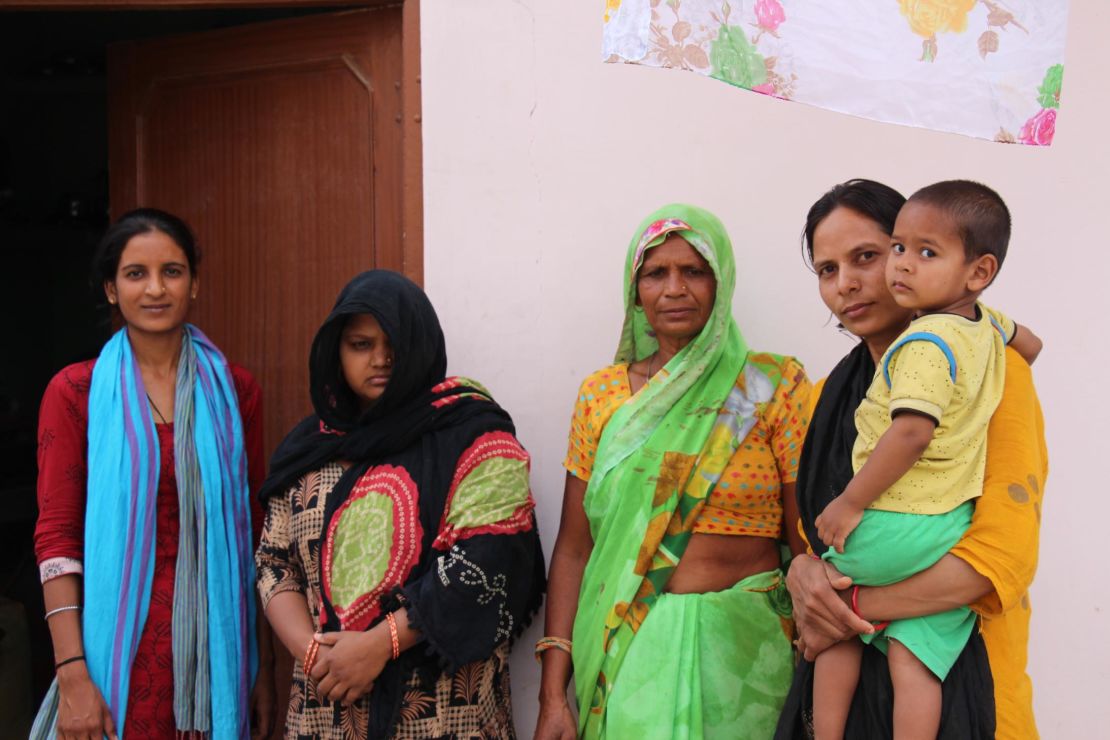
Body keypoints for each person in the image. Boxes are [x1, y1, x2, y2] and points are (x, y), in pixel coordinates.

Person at [775, 180, 1048, 739]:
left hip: (968, 693)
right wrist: (803, 573)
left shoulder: (993, 378)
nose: (846, 283)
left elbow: (997, 559)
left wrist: (849, 605)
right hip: (842, 700)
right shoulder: (826, 396)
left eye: (867, 257)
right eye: (827, 270)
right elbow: (814, 537)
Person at [535, 204, 811, 740]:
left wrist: (819, 658)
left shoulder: (770, 385)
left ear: (721, 282)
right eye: (656, 273)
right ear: (635, 290)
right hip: (627, 654)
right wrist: (552, 699)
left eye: (694, 271)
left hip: (749, 655)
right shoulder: (603, 397)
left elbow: (804, 539)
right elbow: (574, 549)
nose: (675, 288)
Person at [255, 269, 545, 739]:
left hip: (447, 714)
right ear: (336, 351)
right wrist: (315, 656)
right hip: (327, 709)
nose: (381, 359)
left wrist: (378, 645)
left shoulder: (473, 436)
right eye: (360, 344)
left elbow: (490, 561)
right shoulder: (311, 448)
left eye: (395, 342)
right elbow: (274, 562)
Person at [30, 208, 273, 739]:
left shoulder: (234, 391)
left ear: (195, 283)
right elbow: (57, 541)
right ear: (112, 290)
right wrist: (72, 674)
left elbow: (255, 535)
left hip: (218, 657)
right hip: (112, 658)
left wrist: (263, 668)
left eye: (173, 271)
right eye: (136, 274)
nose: (156, 289)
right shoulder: (75, 394)